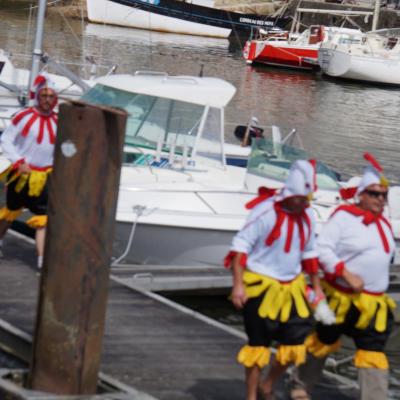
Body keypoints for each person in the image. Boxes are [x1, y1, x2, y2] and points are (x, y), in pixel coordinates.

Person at [224, 160, 335, 400]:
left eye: (307, 199)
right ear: (290, 194)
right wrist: (238, 285)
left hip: (292, 287)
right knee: (258, 346)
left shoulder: (307, 215)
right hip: (261, 285)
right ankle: (252, 395)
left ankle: (269, 383)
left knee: (295, 345)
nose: (304, 203)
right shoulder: (265, 211)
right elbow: (240, 247)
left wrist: (317, 287)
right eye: (300, 198)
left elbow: (309, 253)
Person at [298, 153, 395, 400]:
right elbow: (322, 250)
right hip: (340, 298)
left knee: (373, 351)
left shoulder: (383, 222)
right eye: (375, 194)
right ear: (361, 194)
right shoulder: (343, 217)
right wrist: (345, 273)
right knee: (322, 341)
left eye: (384, 195)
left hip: (373, 304)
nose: (380, 199)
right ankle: (301, 386)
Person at [0, 73, 58, 269]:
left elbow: (63, 146)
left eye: (51, 96)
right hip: (22, 175)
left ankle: (42, 259)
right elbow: (6, 140)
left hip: (43, 178)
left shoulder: (59, 121)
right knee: (10, 213)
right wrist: (18, 161)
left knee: (44, 219)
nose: (47, 100)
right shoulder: (24, 117)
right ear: (38, 96)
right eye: (44, 96)